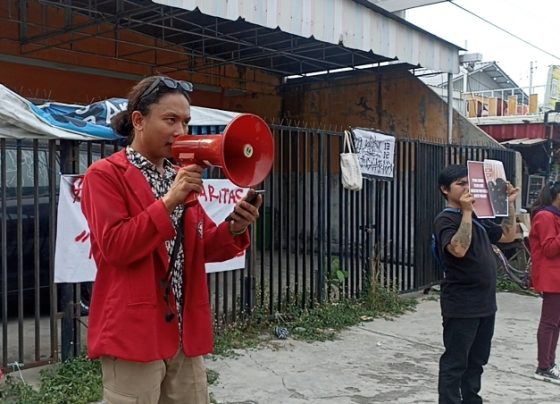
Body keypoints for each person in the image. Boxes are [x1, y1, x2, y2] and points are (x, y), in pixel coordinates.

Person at [81, 75, 262, 404]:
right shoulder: (105, 175)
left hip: (183, 331)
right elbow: (116, 247)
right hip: (135, 334)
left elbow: (202, 244)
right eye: (170, 120)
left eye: (186, 121)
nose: (181, 131)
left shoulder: (178, 176)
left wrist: (235, 227)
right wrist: (169, 201)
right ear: (139, 120)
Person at [433, 164, 518, 404]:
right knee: (456, 362)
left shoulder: (479, 217)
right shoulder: (445, 219)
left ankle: (471, 399)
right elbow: (458, 249)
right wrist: (467, 213)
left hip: (485, 304)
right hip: (461, 305)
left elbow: (508, 236)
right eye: (460, 184)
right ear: (445, 189)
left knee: (477, 360)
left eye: (469, 183)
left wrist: (510, 203)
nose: (467, 188)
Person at [528, 181, 560, 384]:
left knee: (556, 322)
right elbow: (549, 248)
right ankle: (543, 366)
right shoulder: (545, 216)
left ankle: (549, 362)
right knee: (549, 322)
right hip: (551, 277)